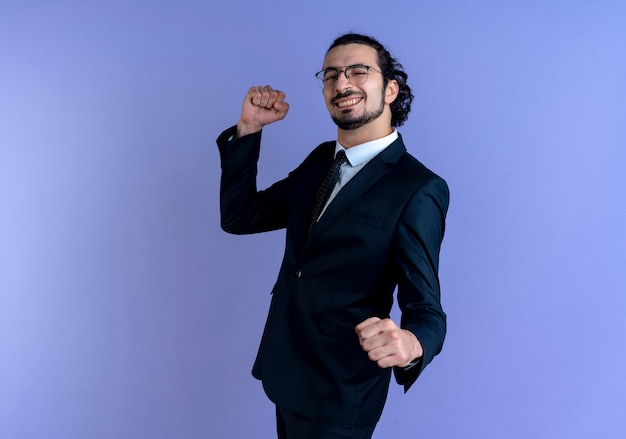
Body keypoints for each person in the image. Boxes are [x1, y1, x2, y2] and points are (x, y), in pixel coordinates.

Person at [217, 33, 449, 439]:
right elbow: (241, 216)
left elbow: (427, 309)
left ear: (390, 89)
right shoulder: (320, 159)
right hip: (285, 369)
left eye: (359, 71)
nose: (342, 84)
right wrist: (249, 129)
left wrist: (412, 343)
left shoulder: (418, 188)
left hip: (340, 388)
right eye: (331, 75)